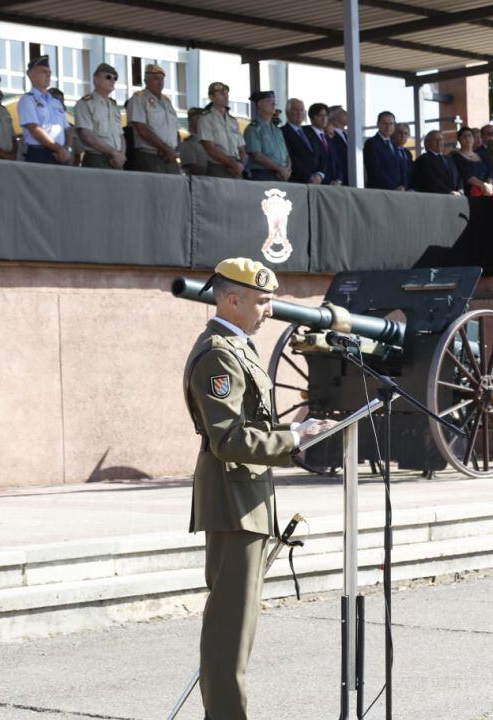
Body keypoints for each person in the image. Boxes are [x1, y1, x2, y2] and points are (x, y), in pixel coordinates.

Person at [183, 257, 335, 720]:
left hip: (247, 499)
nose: (270, 310)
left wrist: (297, 433)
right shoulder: (218, 355)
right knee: (230, 628)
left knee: (240, 623)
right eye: (263, 301)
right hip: (232, 501)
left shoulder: (237, 347)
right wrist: (294, 438)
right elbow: (228, 440)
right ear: (232, 299)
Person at [127, 63, 180, 174]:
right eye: (156, 79)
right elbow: (142, 130)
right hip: (150, 157)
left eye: (162, 79)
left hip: (170, 158)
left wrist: (174, 151)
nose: (160, 82)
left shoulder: (167, 101)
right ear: (146, 81)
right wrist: (166, 149)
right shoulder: (139, 99)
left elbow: (175, 130)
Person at [17, 55, 71, 165]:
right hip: (40, 153)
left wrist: (65, 149)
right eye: (44, 72)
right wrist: (59, 149)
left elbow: (68, 129)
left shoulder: (55, 102)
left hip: (61, 154)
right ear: (31, 75)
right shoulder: (27, 100)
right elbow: (34, 130)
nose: (48, 75)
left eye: (49, 73)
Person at [74, 63, 125, 170]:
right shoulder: (85, 103)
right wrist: (113, 153)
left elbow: (120, 136)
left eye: (115, 78)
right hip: (96, 159)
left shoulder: (114, 106)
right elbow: (86, 135)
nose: (112, 80)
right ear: (96, 79)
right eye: (108, 77)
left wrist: (121, 155)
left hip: (116, 161)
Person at [199, 82, 245, 179]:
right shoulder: (206, 119)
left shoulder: (233, 121)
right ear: (211, 97)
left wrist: (241, 165)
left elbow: (242, 149)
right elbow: (210, 149)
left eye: (226, 93)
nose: (225, 96)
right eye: (221, 93)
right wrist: (233, 164)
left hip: (236, 169)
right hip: (218, 167)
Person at [243, 90, 289, 182]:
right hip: (263, 174)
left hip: (281, 175)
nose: (273, 104)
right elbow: (256, 155)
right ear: (260, 105)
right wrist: (279, 169)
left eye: (274, 102)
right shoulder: (253, 128)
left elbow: (286, 155)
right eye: (269, 101)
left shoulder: (277, 130)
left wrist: (287, 169)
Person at [281, 98, 325, 184]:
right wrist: (309, 177)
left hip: (318, 182)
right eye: (295, 110)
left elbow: (322, 155)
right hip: (298, 182)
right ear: (287, 112)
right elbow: (290, 157)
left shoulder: (310, 132)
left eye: (302, 110)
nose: (299, 113)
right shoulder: (283, 132)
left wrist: (320, 174)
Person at [363, 111, 407, 191]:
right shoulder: (371, 143)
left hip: (398, 191)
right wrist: (393, 187)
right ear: (378, 125)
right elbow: (375, 169)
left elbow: (401, 168)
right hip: (380, 190)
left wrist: (403, 185)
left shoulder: (394, 144)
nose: (388, 127)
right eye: (385, 124)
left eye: (391, 124)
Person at [411, 130, 463, 195]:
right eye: (435, 140)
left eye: (441, 139)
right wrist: (448, 192)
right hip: (437, 198)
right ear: (427, 143)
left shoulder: (449, 159)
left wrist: (460, 189)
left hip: (455, 197)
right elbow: (430, 180)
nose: (439, 142)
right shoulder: (423, 160)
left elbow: (458, 176)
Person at [451, 126, 493, 197]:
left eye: (469, 136)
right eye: (464, 136)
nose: (467, 138)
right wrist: (483, 185)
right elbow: (467, 175)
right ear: (459, 140)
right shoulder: (456, 157)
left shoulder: (482, 155)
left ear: (473, 139)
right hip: (469, 193)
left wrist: (489, 185)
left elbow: (489, 171)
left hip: (486, 192)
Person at [307, 102, 340, 185]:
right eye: (320, 115)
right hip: (318, 183)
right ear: (312, 118)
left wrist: (339, 179)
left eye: (325, 115)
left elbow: (337, 162)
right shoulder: (307, 135)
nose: (324, 118)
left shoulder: (329, 138)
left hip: (334, 185)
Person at [180, 108, 208, 176]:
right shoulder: (188, 143)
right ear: (191, 122)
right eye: (198, 118)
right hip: (197, 183)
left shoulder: (210, 142)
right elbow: (191, 167)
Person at [327, 105, 349, 185]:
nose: (346, 113)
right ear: (335, 116)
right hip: (339, 181)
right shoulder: (330, 136)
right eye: (342, 112)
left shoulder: (349, 136)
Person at [391, 123, 413, 189]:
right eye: (399, 133)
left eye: (405, 133)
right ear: (393, 134)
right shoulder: (389, 150)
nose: (402, 136)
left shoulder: (407, 153)